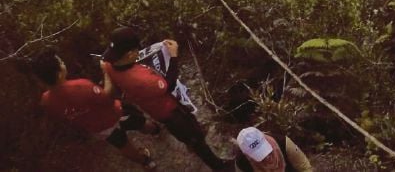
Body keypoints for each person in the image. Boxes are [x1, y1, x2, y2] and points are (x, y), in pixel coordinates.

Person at [100, 26, 229, 170]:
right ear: (129, 55)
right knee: (197, 141)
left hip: (154, 110)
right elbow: (169, 84)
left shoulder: (108, 64)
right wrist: (173, 56)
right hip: (171, 113)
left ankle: (189, 141)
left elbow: (104, 65)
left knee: (187, 133)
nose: (138, 52)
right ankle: (218, 166)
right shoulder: (142, 80)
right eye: (136, 50)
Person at [33, 47, 159, 169]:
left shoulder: (46, 101)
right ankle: (155, 131)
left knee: (123, 146)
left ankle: (146, 162)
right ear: (59, 73)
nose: (63, 63)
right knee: (140, 122)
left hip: (100, 129)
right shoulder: (81, 86)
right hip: (117, 113)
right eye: (61, 62)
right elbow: (108, 96)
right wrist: (106, 71)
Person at [234, 126, 313, 172]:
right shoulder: (242, 163)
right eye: (260, 157)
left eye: (267, 151)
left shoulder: (284, 143)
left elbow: (305, 167)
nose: (267, 157)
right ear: (248, 156)